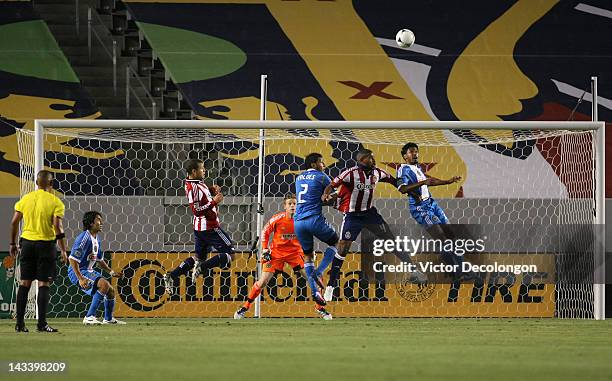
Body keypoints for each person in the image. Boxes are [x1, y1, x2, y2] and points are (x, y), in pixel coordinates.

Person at [321, 149, 425, 302]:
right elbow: (332, 184)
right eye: (370, 158)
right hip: (352, 216)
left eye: (373, 157)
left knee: (390, 240)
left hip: (370, 214)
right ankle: (330, 286)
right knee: (343, 248)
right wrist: (326, 193)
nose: (373, 159)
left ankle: (413, 269)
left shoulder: (378, 172)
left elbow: (394, 181)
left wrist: (412, 192)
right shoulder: (350, 173)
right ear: (362, 160)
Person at [234, 194, 332, 320]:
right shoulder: (277, 219)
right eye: (290, 204)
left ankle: (320, 308)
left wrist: (310, 251)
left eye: (295, 203)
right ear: (284, 206)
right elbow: (265, 232)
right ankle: (245, 307)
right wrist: (264, 249)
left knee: (315, 278)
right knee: (263, 281)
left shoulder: (304, 219)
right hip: (276, 254)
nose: (292, 206)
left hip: (296, 254)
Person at [163, 159, 234, 295]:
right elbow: (196, 210)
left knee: (198, 258)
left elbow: (202, 198)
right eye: (202, 169)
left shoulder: (197, 182)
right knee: (231, 254)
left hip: (200, 228)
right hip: (209, 227)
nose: (204, 170)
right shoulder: (192, 187)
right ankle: (202, 268)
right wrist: (214, 201)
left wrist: (211, 190)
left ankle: (171, 276)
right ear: (194, 171)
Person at [10, 170, 67, 333]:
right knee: (43, 284)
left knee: (24, 283)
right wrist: (63, 250)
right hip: (46, 245)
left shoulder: (25, 199)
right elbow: (57, 226)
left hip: (26, 244)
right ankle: (42, 324)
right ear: (51, 183)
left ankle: (20, 324)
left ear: (36, 182)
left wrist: (12, 243)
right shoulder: (55, 202)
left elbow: (14, 223)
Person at [397, 142, 465, 276]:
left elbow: (430, 181)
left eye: (416, 151)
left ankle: (462, 269)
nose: (415, 154)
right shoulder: (403, 169)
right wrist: (423, 183)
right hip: (420, 208)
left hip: (432, 204)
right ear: (405, 156)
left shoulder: (417, 168)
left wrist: (448, 181)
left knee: (451, 234)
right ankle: (455, 273)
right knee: (441, 239)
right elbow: (402, 188)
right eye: (411, 152)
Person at [293, 153, 340, 306]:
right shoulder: (321, 176)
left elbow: (310, 196)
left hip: (298, 222)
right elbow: (327, 196)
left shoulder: (298, 178)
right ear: (313, 165)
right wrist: (338, 195)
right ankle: (319, 271)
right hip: (314, 219)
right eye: (321, 162)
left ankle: (315, 292)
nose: (324, 164)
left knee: (308, 256)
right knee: (337, 243)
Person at [68, 211, 125, 325]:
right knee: (103, 285)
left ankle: (108, 319)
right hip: (78, 271)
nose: (101, 222)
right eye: (98, 219)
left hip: (88, 271)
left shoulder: (96, 239)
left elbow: (99, 260)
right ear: (90, 223)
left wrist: (111, 271)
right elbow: (72, 259)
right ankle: (89, 317)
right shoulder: (84, 238)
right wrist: (80, 278)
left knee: (111, 291)